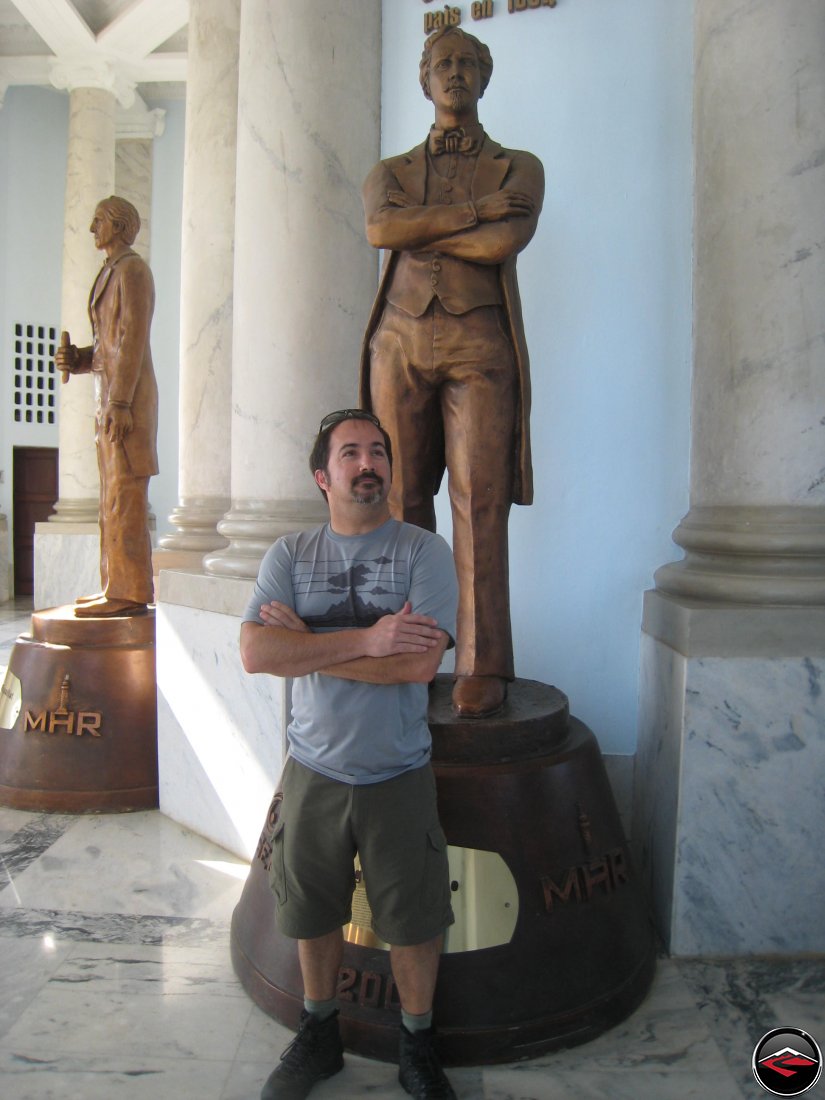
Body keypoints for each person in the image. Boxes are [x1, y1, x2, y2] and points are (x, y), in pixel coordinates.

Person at [240, 409, 459, 1100]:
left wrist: (307, 645)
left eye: (378, 452)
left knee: (413, 919)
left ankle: (417, 1043)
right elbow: (256, 652)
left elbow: (418, 669)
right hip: (313, 770)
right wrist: (368, 640)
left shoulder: (424, 553)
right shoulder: (289, 555)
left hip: (397, 768)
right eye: (350, 453)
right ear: (322, 476)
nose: (368, 464)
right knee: (312, 910)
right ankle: (319, 1032)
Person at [360, 26, 544, 718]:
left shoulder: (518, 166)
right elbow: (381, 231)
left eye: (467, 62)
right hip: (397, 340)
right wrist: (469, 213)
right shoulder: (388, 173)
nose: (455, 72)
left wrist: (422, 225)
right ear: (423, 78)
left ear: (484, 76)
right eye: (443, 63)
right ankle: (412, 649)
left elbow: (503, 241)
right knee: (401, 501)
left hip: (478, 339)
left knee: (479, 498)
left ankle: (481, 661)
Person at [55, 195, 158, 617]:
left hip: (126, 404)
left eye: (99, 220)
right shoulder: (110, 271)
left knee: (125, 497)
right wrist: (79, 359)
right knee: (109, 499)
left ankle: (130, 591)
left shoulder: (133, 270)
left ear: (118, 226)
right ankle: (114, 585)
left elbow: (133, 336)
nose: (92, 227)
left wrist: (119, 400)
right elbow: (108, 345)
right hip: (111, 401)